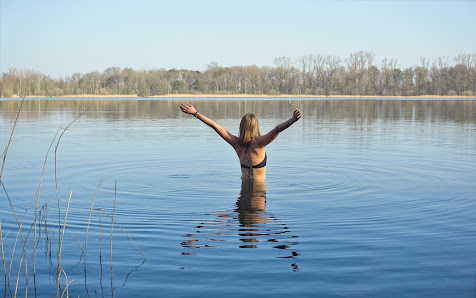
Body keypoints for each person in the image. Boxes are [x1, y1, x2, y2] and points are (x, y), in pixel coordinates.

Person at [180, 103, 301, 180]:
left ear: (241, 127)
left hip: (243, 189)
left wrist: (195, 113)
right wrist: (292, 120)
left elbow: (215, 126)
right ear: (256, 127)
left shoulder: (236, 143)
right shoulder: (260, 143)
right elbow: (277, 129)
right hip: (259, 193)